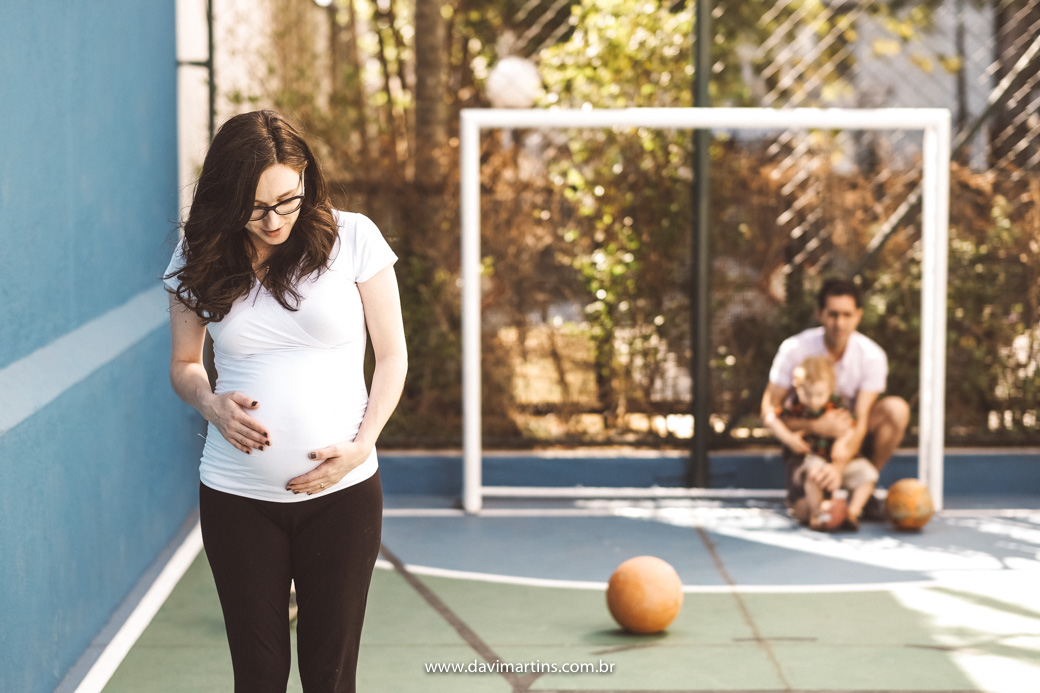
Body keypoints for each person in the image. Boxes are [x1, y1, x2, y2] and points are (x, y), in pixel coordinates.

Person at [163, 110, 407, 692]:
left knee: (330, 677)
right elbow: (184, 365)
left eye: (287, 201)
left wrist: (362, 446)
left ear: (306, 180)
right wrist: (210, 404)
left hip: (342, 496)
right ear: (226, 198)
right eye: (254, 208)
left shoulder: (355, 237)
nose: (273, 221)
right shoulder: (199, 252)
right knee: (259, 676)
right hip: (236, 497)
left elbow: (392, 357)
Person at [761, 277, 909, 523]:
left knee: (896, 410)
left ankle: (861, 490)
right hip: (807, 444)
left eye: (847, 315)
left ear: (858, 316)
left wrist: (839, 465)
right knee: (807, 513)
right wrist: (814, 426)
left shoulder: (872, 356)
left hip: (847, 441)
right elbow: (768, 407)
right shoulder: (794, 349)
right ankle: (817, 496)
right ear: (819, 314)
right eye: (833, 314)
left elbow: (861, 419)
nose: (839, 323)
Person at [766, 356, 879, 530]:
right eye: (807, 394)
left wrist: (842, 443)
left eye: (819, 394)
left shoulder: (836, 405)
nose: (813, 401)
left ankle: (853, 513)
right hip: (814, 458)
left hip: (838, 460)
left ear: (830, 388)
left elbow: (851, 427)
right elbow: (773, 418)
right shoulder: (796, 408)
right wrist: (789, 438)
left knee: (868, 475)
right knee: (813, 475)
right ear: (797, 387)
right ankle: (817, 513)